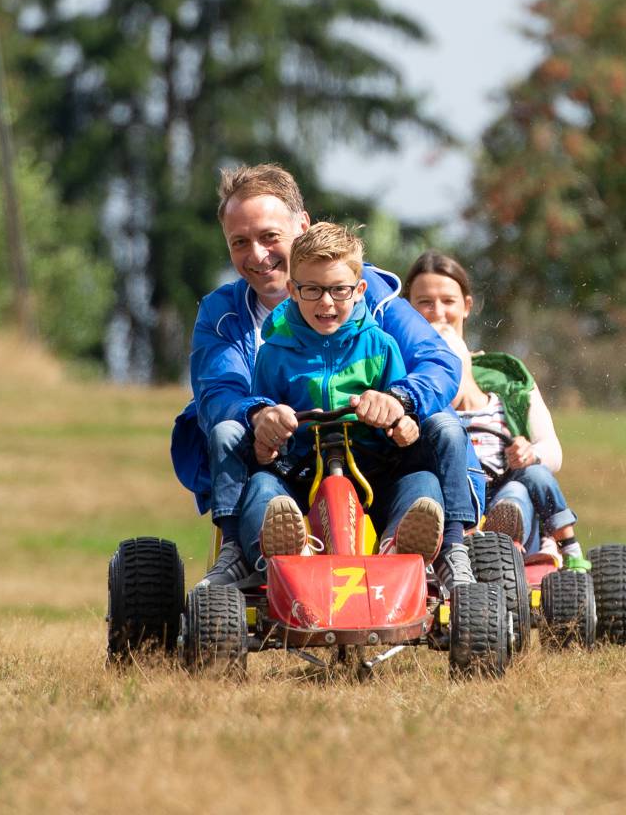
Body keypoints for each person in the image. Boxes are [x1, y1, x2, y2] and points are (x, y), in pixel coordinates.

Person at [168, 164, 469, 589]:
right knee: (234, 443)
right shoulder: (223, 316)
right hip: (285, 466)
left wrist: (400, 401)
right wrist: (258, 415)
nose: (257, 255)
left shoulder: (374, 302)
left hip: (373, 462)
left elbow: (438, 364)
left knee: (437, 436)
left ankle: (419, 545)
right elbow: (217, 392)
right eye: (240, 242)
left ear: (302, 227)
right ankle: (265, 550)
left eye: (270, 236)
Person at [235, 223, 475, 589]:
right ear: (292, 291)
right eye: (312, 290)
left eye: (338, 290)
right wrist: (267, 428)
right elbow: (261, 411)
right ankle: (285, 552)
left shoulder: (381, 346)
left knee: (423, 483)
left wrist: (401, 420)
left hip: (374, 474)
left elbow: (403, 419)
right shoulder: (273, 355)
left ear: (359, 290)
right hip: (300, 477)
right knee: (262, 491)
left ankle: (403, 548)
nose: (326, 302)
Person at [404, 250, 589, 573]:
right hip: (447, 505)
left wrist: (529, 452)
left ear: (467, 305)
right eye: (425, 303)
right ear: (407, 308)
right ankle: (461, 548)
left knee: (520, 487)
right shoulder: (404, 382)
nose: (438, 313)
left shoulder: (506, 379)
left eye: (448, 301)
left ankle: (502, 544)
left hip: (505, 487)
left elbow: (551, 450)